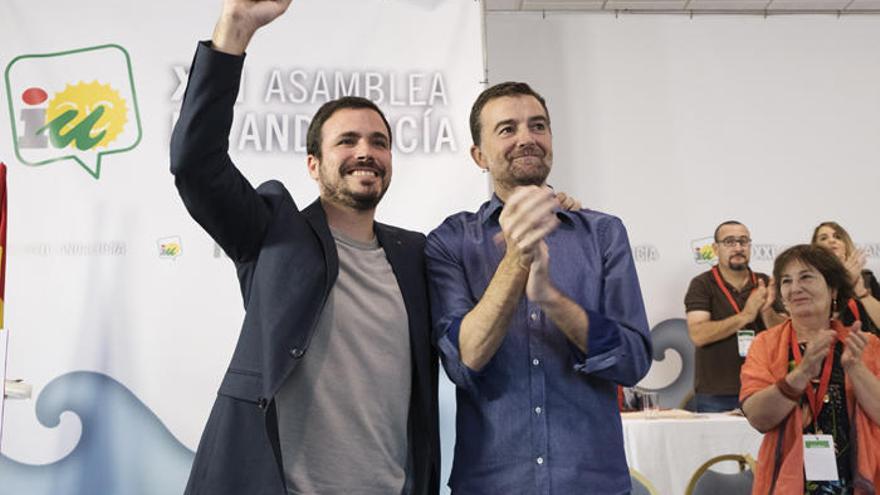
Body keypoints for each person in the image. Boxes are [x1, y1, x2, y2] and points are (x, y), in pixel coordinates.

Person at [169, 1, 439, 493]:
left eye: (379, 142)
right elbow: (195, 163)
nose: (366, 151)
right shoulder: (271, 229)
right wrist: (234, 31)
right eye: (348, 140)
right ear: (313, 164)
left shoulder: (417, 254)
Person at [425, 81, 652, 494]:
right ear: (479, 155)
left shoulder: (602, 234)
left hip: (591, 482)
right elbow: (465, 360)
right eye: (507, 129)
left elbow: (633, 360)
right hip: (493, 484)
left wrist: (551, 298)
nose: (527, 138)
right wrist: (516, 258)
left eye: (538, 126)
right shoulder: (451, 242)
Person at [740, 244, 880, 494]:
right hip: (788, 483)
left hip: (858, 481)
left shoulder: (866, 345)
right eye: (786, 281)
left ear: (832, 288)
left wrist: (855, 369)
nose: (795, 288)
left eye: (806, 277)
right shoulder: (766, 344)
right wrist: (801, 374)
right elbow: (758, 418)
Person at [684, 221, 787, 412]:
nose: (738, 247)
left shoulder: (765, 282)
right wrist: (746, 315)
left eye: (743, 241)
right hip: (716, 393)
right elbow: (699, 334)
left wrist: (766, 311)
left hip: (764, 388)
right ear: (716, 248)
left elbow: (784, 333)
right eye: (730, 242)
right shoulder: (702, 284)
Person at [812, 221, 880, 334]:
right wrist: (845, 284)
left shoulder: (865, 277)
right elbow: (816, 326)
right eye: (823, 238)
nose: (832, 240)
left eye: (837, 237)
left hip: (869, 347)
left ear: (845, 244)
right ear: (815, 249)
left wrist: (862, 293)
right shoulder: (810, 281)